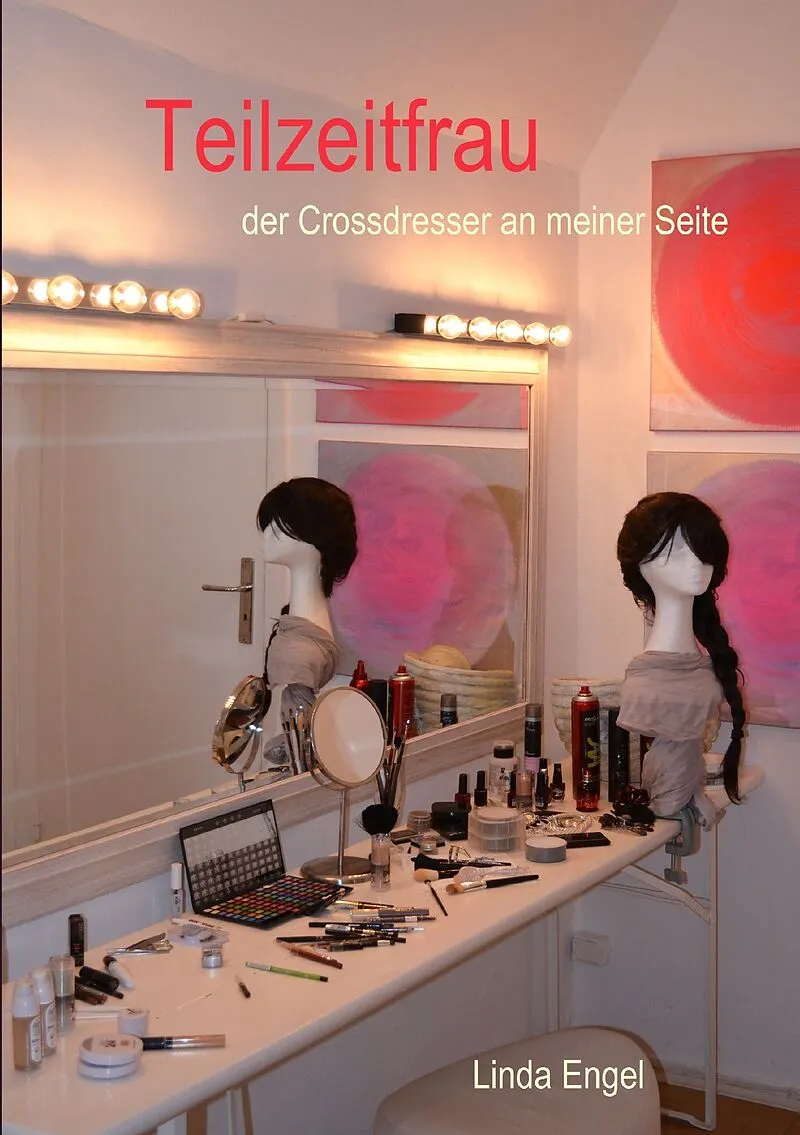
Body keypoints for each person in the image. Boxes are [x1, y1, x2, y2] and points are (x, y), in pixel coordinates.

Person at [616, 492, 745, 822]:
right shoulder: (648, 683)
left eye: (702, 551)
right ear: (641, 563)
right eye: (675, 551)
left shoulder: (696, 664)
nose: (695, 563)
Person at [256, 478, 358, 772]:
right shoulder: (304, 625)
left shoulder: (305, 645)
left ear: (314, 537)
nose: (266, 535)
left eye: (277, 528)